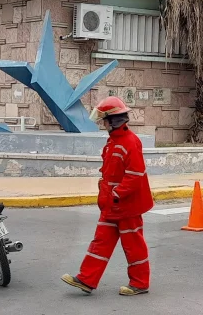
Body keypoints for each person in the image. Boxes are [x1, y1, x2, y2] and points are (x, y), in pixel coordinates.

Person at [61, 96, 153, 296]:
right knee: (100, 242)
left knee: (133, 245)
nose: (102, 124)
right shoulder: (113, 142)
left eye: (104, 120)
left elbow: (135, 174)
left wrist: (116, 194)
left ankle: (140, 283)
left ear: (113, 120)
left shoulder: (130, 142)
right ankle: (86, 279)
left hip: (126, 205)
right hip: (112, 204)